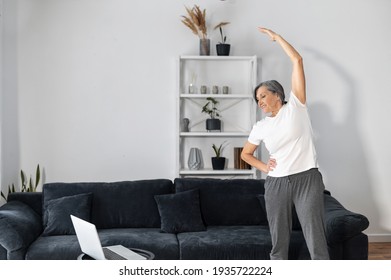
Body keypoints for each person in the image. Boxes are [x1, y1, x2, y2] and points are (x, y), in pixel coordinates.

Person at [241, 27, 330, 260]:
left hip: (307, 179)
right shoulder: (260, 126)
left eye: (263, 95)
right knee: (279, 242)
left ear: (277, 95)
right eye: (257, 99)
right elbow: (245, 154)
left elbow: (297, 60)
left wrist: (277, 38)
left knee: (316, 238)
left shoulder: (296, 108)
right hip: (276, 184)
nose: (259, 101)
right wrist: (264, 167)